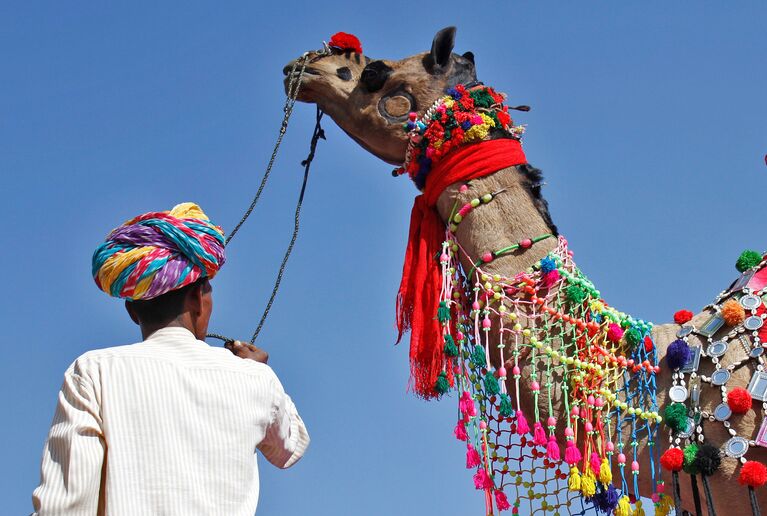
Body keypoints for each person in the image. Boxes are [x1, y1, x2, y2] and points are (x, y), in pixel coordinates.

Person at [32, 202, 309, 515]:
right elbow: (290, 448)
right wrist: (260, 374)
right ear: (196, 300)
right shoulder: (253, 377)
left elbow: (65, 506)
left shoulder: (94, 371)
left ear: (132, 311)